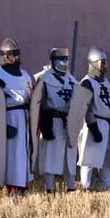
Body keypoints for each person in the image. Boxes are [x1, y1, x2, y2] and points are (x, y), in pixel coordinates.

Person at [0, 38, 33, 194]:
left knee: (23, 154)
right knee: (11, 155)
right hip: (9, 117)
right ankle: (11, 186)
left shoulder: (25, 75)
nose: (17, 57)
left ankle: (21, 186)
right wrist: (2, 126)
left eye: (18, 53)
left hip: (24, 118)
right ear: (5, 55)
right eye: (13, 54)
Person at [32, 48, 79, 193]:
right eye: (61, 59)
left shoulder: (72, 79)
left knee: (70, 156)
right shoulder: (44, 78)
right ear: (53, 61)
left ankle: (71, 187)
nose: (64, 62)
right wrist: (44, 124)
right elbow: (37, 102)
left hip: (69, 122)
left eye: (66, 59)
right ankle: (49, 188)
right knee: (51, 155)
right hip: (52, 121)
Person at [76, 47, 110, 190]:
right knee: (89, 158)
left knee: (106, 158)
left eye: (105, 62)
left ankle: (108, 186)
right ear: (94, 63)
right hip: (93, 124)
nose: (105, 66)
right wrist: (93, 128)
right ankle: (85, 186)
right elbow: (85, 108)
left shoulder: (106, 83)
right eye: (102, 63)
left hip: (107, 124)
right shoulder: (86, 83)